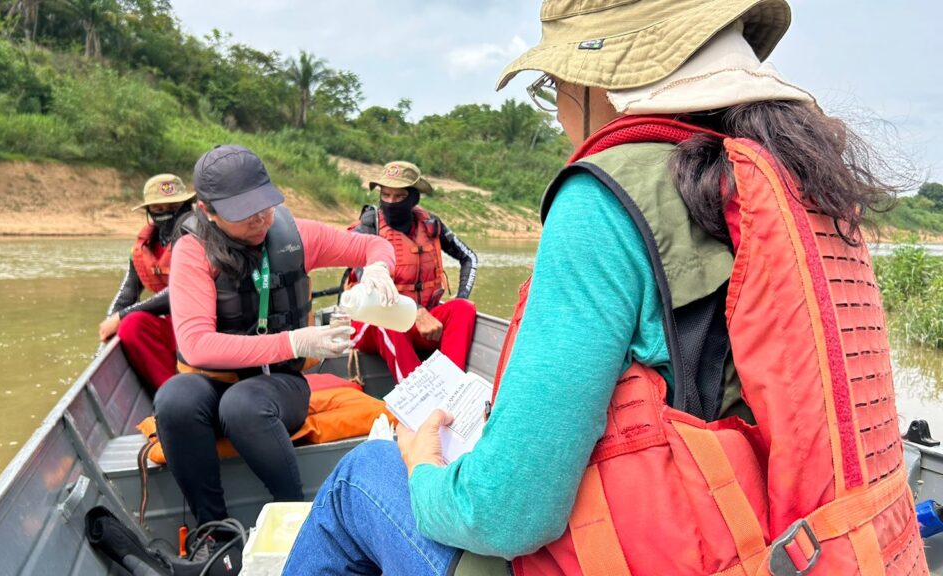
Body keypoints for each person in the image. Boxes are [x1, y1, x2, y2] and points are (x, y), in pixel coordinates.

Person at [283, 1, 928, 575]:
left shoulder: (604, 201)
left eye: (556, 88)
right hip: (785, 547)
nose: (561, 111)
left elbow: (507, 516)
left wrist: (423, 470)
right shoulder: (799, 184)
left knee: (360, 480)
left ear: (601, 85)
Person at [154, 145, 397, 549]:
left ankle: (298, 517)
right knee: (174, 399)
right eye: (243, 211)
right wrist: (295, 340)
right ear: (207, 210)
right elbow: (195, 346)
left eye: (265, 204)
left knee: (244, 405)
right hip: (211, 382)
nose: (260, 218)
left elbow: (373, 245)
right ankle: (213, 531)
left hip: (277, 385)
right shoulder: (192, 251)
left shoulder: (293, 236)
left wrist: (377, 267)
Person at [349, 161, 478, 381]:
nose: (391, 202)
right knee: (387, 320)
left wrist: (461, 295)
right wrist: (416, 311)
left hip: (419, 322)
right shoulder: (368, 228)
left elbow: (470, 258)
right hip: (373, 323)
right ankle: (417, 395)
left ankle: (451, 386)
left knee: (463, 309)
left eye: (399, 197)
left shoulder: (430, 224)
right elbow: (372, 291)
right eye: (386, 195)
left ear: (413, 198)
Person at [99, 174, 194, 390]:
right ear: (149, 212)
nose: (166, 214)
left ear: (187, 206)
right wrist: (109, 327)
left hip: (212, 325)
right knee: (133, 325)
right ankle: (170, 392)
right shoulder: (145, 245)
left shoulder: (201, 235)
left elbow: (181, 290)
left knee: (127, 318)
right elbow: (126, 295)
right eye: (158, 210)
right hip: (175, 327)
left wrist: (122, 316)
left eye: (174, 206)